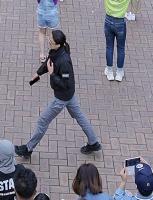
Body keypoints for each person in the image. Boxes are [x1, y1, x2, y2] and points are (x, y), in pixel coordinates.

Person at [16, 30, 100, 158]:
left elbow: (65, 83)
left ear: (58, 45)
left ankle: (28, 149)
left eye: (51, 42)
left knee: (43, 120)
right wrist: (38, 73)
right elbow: (49, 62)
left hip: (62, 97)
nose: (49, 43)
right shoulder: (56, 52)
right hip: (69, 95)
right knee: (80, 117)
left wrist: (52, 74)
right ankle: (93, 142)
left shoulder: (64, 61)